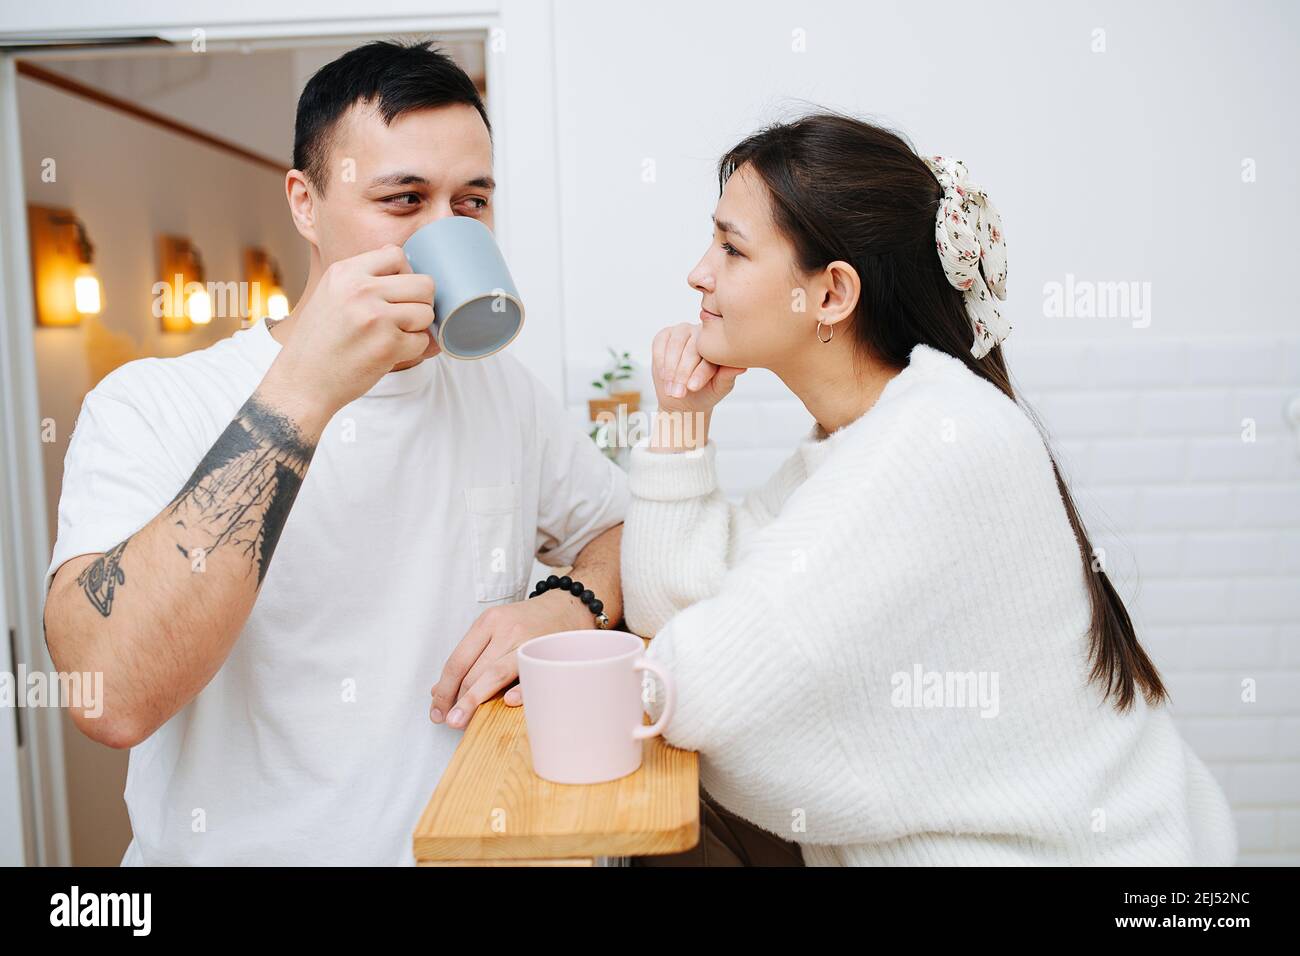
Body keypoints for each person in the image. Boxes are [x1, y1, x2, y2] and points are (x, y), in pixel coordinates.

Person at [42, 40, 628, 866]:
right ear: (305, 203)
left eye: (472, 202)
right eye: (403, 199)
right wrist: (303, 393)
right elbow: (110, 697)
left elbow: (618, 535)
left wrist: (569, 602)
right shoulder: (150, 405)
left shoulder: (501, 391)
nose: (443, 231)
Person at [622, 113, 1237, 866]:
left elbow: (696, 690)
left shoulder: (938, 443)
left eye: (731, 248)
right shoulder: (858, 439)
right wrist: (682, 421)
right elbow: (670, 610)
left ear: (831, 295)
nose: (699, 273)